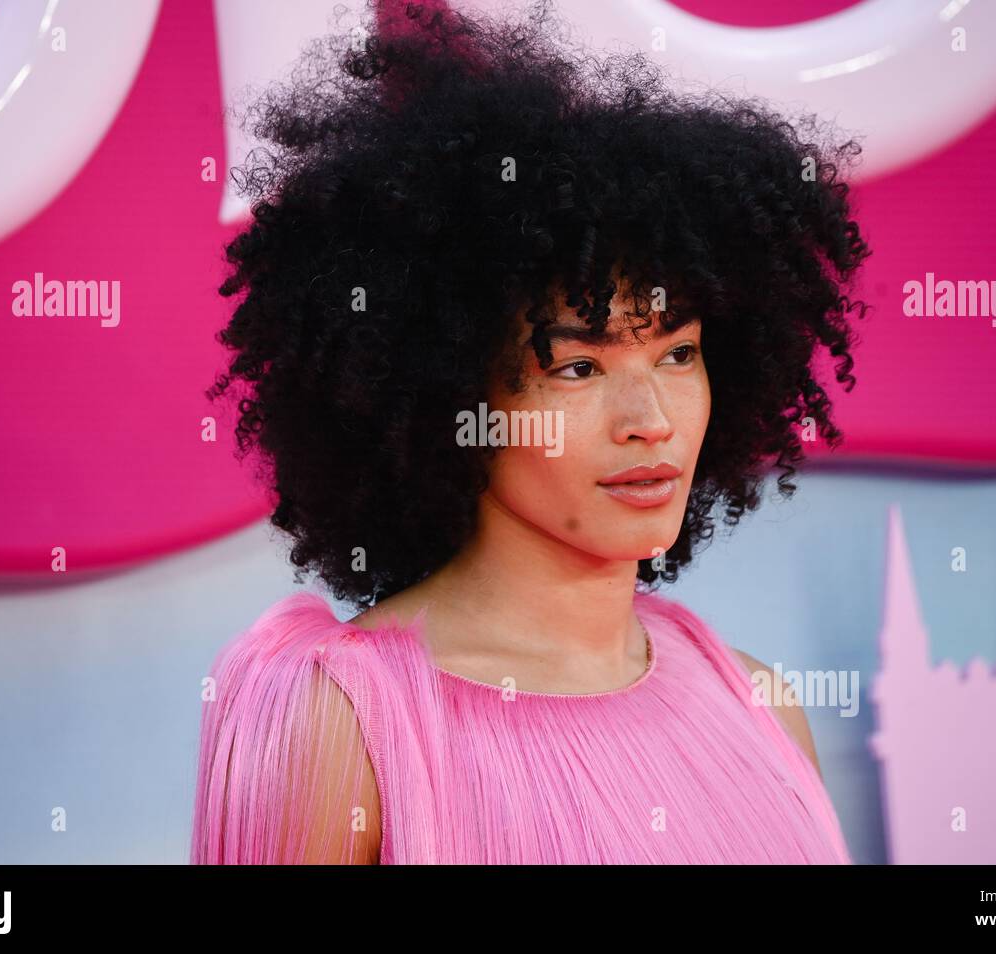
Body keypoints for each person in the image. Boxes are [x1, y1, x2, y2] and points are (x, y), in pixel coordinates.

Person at [191, 0, 870, 864]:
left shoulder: (760, 706)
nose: (650, 422)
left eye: (679, 353)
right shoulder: (341, 722)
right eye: (577, 368)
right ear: (443, 394)